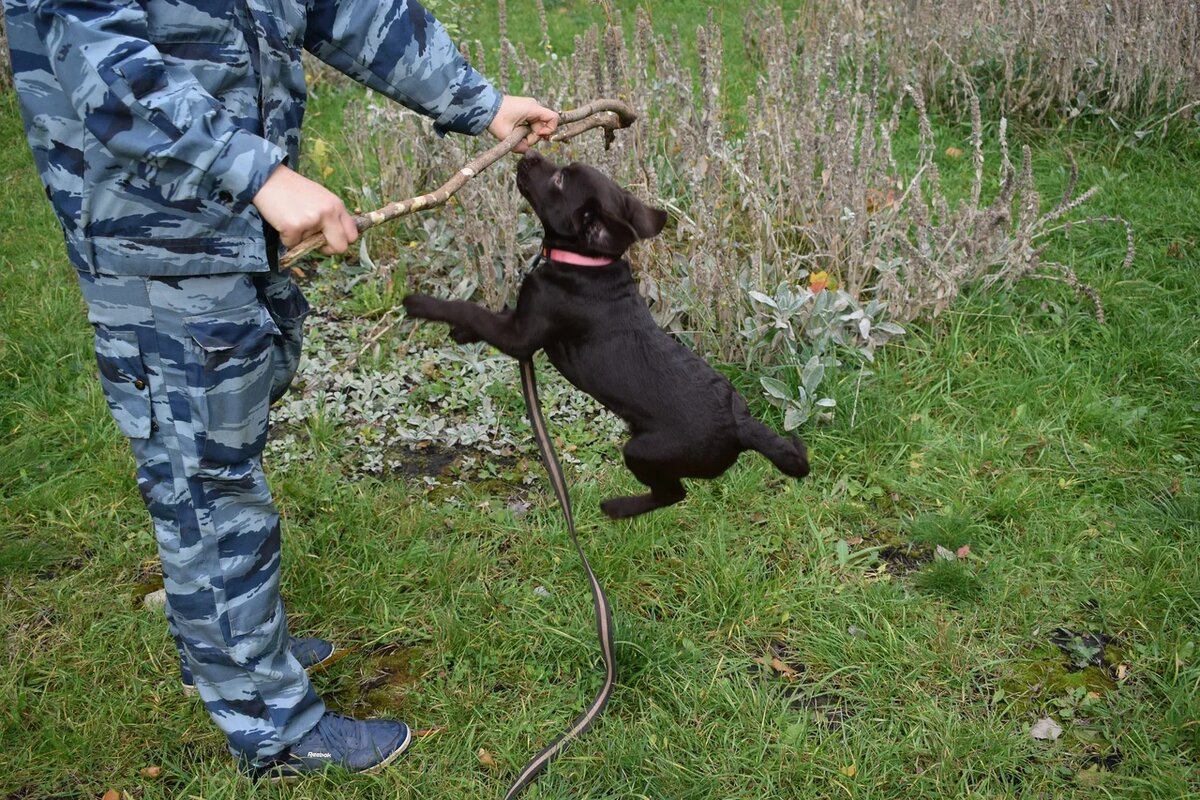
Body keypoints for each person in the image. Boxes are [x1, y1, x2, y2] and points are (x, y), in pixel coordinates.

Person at [4, 0, 557, 779]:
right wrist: (256, 170)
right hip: (157, 241)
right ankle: (273, 727)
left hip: (239, 230)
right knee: (207, 486)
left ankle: (229, 640)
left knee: (223, 451)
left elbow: (344, 8)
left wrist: (479, 102)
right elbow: (106, 63)